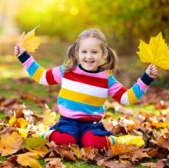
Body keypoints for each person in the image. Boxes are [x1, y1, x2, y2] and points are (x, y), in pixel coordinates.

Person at [14, 28, 158, 150]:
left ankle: (117, 140)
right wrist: (23, 56)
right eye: (84, 52)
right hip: (67, 122)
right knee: (64, 142)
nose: (88, 56)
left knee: (94, 144)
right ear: (77, 52)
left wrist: (146, 78)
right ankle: (47, 134)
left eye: (94, 52)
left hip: (91, 125)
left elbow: (126, 97)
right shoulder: (68, 69)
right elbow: (43, 77)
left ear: (103, 54)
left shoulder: (106, 78)